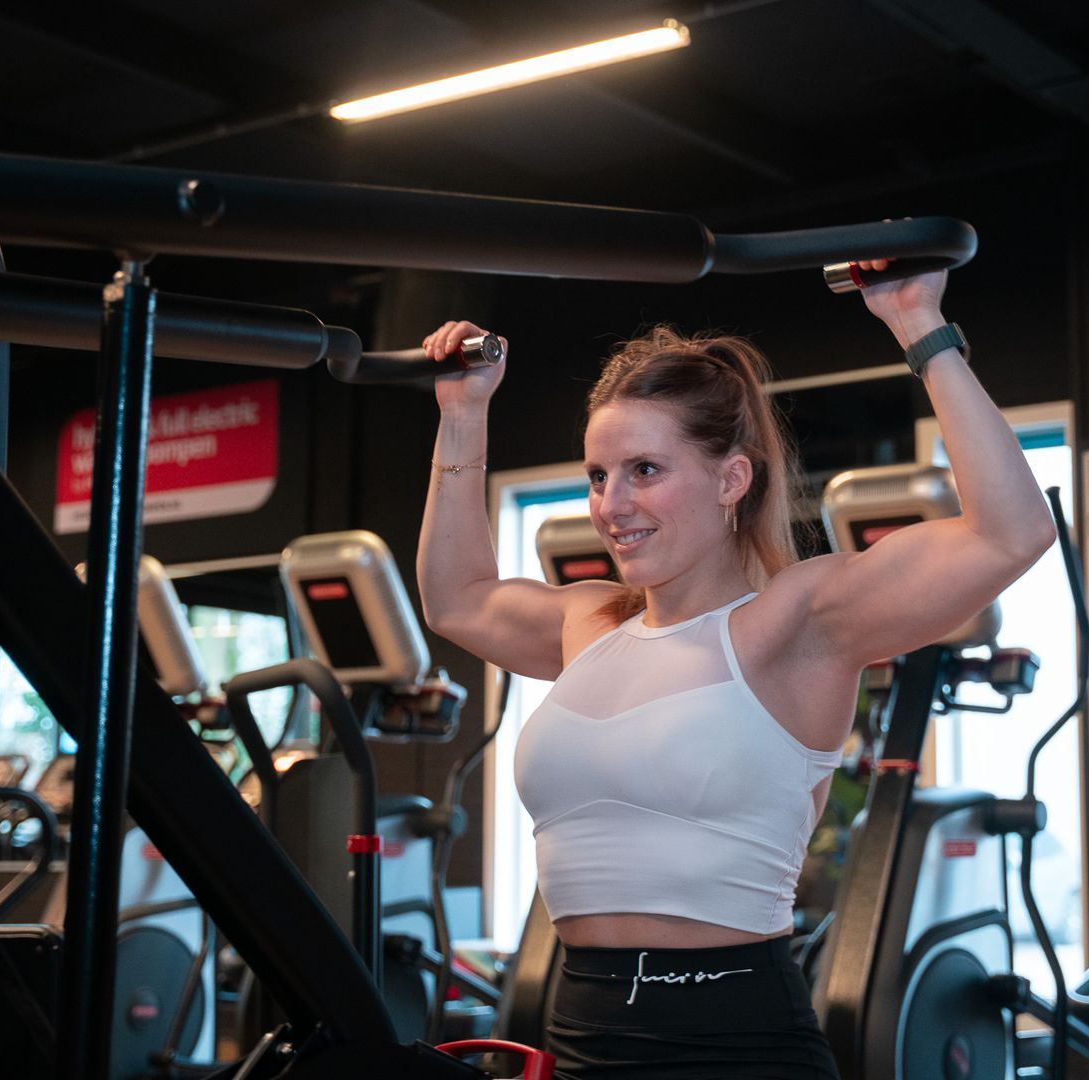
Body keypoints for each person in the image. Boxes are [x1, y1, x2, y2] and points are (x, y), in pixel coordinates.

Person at [415, 263, 1054, 1078]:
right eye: (599, 476)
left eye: (645, 470)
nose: (612, 504)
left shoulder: (797, 624)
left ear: (731, 478)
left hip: (736, 1046)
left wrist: (917, 325)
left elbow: (1011, 533)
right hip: (579, 1037)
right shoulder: (592, 622)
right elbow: (456, 597)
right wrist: (464, 414)